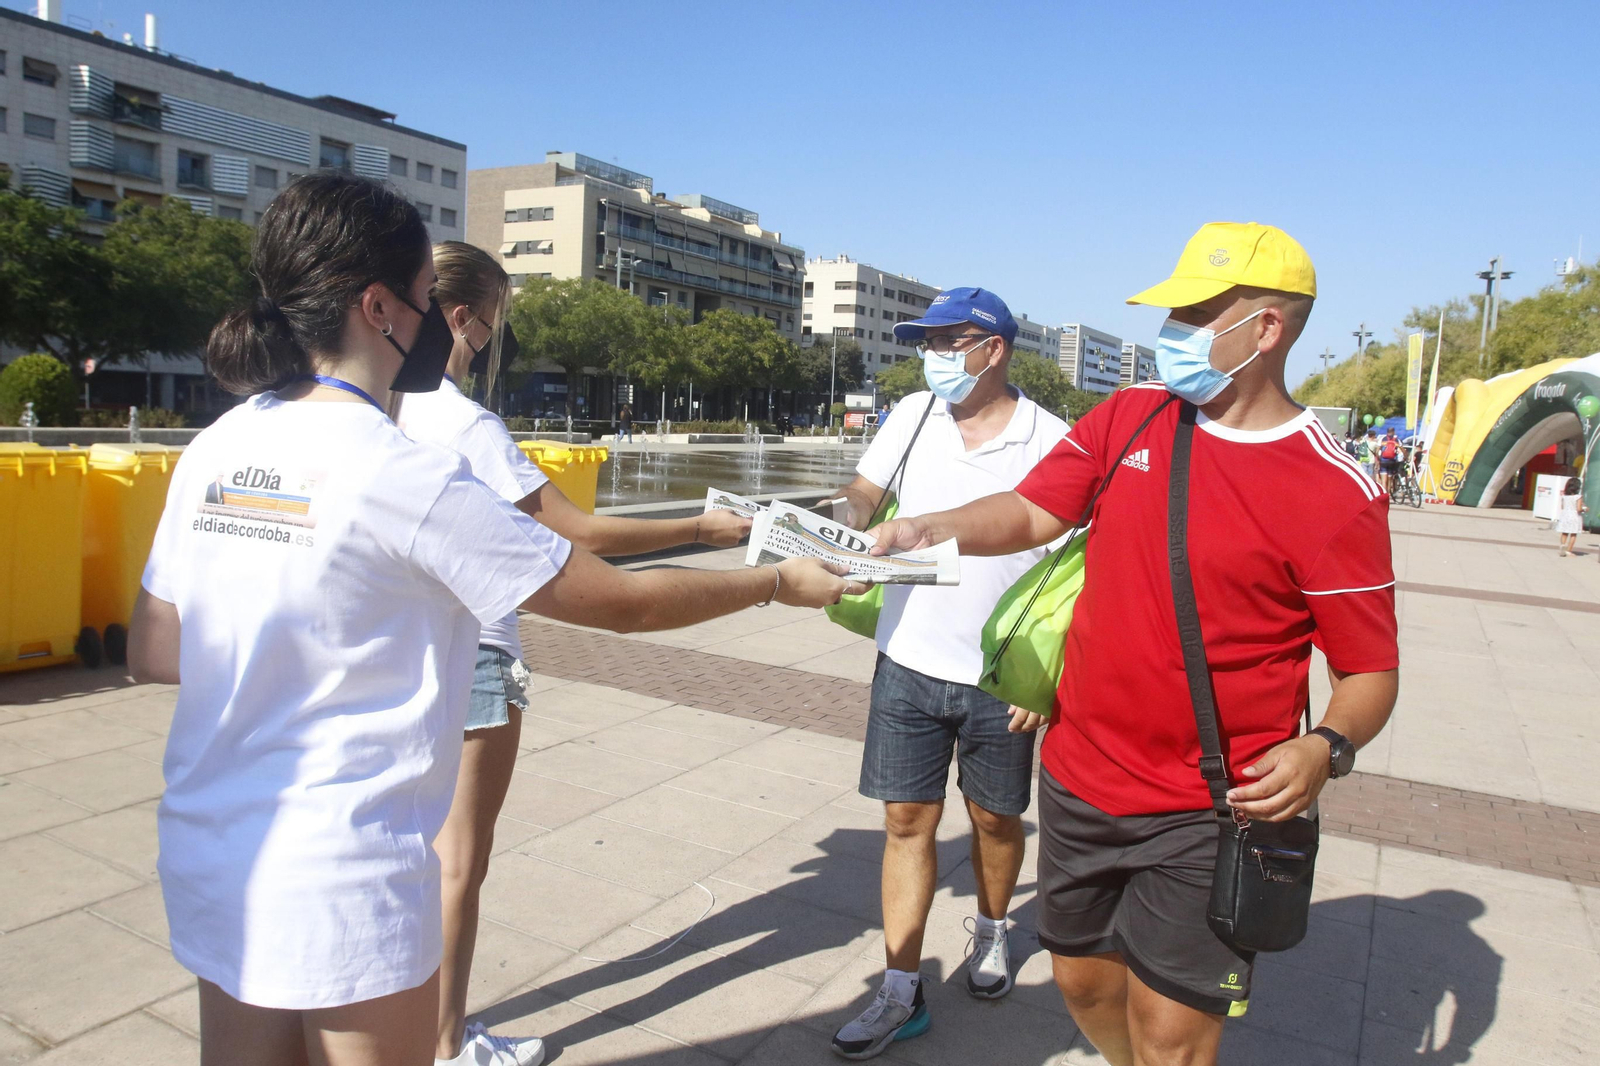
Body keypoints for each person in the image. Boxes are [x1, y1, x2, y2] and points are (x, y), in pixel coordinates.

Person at [126, 172, 857, 1066]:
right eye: (431, 297)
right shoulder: (405, 473)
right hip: (340, 867)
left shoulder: (221, 440)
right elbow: (618, 603)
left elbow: (154, 647)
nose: (446, 321)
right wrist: (776, 584)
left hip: (209, 844)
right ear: (379, 306)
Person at [870, 223, 1399, 1066]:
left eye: (1195, 312)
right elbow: (1035, 511)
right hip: (1081, 782)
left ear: (1266, 329)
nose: (1174, 332)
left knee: (1173, 1036)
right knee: (1081, 984)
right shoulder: (1133, 414)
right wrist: (932, 527)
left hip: (1208, 808)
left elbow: (1369, 669)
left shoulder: (1336, 487)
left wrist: (1325, 747)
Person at [393, 241, 750, 1065]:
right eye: (494, 326)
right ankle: (447, 1046)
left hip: (396, 655)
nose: (492, 344)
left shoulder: (372, 410)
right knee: (458, 866)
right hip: (474, 653)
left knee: (398, 858)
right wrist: (702, 527)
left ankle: (399, 1028)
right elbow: (578, 531)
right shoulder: (461, 421)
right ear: (461, 320)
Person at [821, 288, 1069, 1060]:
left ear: (992, 349)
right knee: (906, 823)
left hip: (1001, 678)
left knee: (996, 819)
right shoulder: (912, 415)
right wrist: (843, 516)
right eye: (924, 341)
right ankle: (899, 989)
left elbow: (1084, 563)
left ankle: (993, 930)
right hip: (907, 657)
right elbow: (865, 493)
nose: (931, 355)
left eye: (947, 341)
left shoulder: (1052, 438)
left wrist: (1052, 680)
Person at [1557, 475, 1586, 556]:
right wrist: (1584, 509)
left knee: (1564, 532)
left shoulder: (1564, 496)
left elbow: (1562, 507)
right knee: (1573, 534)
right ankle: (1569, 551)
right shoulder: (1578, 497)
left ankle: (1563, 546)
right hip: (1574, 516)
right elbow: (1579, 509)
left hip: (1565, 515)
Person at [1377, 427, 1401, 493]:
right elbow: (1401, 449)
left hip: (1383, 461)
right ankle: (1389, 494)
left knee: (1384, 480)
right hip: (1392, 461)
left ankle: (1384, 493)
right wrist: (1406, 456)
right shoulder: (1397, 440)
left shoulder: (1382, 439)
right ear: (1394, 432)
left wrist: (1378, 459)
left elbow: (1377, 450)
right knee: (1390, 479)